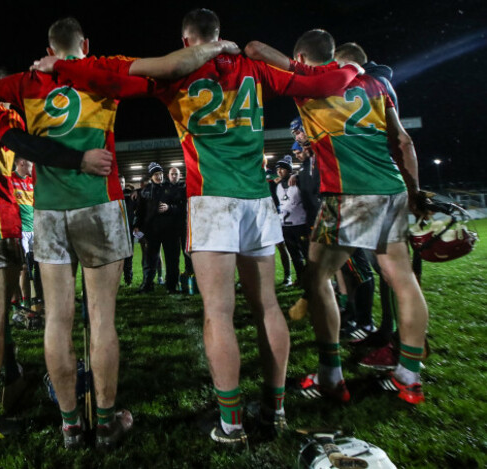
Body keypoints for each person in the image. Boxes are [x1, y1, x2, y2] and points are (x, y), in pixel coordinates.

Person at [38, 8, 362, 444]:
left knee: (218, 312)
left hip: (211, 201)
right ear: (217, 35)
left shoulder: (175, 75)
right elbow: (317, 83)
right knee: (267, 306)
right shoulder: (253, 67)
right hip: (255, 198)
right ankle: (274, 409)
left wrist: (60, 66)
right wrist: (352, 67)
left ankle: (230, 423)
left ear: (188, 41)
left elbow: (108, 79)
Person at [0, 18, 237, 449]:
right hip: (99, 203)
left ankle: (70, 426)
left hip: (48, 212)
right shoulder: (105, 68)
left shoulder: (28, 80)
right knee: (101, 319)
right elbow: (172, 64)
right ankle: (109, 420)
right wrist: (218, 46)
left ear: (50, 47)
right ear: (86, 44)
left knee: (57, 321)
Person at [246, 31, 430, 405]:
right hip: (390, 188)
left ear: (302, 55)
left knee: (316, 278)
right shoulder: (377, 84)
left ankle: (331, 375)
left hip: (347, 193)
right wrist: (414, 192)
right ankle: (409, 377)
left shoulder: (310, 84)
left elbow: (262, 53)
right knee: (402, 279)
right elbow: (403, 141)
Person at [133, 162, 181, 294]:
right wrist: (137, 225)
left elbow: (180, 208)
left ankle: (172, 286)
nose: (159, 176)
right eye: (156, 174)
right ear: (151, 176)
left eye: (160, 173)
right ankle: (147, 285)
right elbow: (141, 211)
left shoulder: (172, 188)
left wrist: (169, 208)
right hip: (152, 232)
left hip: (171, 231)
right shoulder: (145, 191)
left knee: (172, 260)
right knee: (150, 260)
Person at [275, 155, 309, 286]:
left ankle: (312, 279)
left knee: (307, 254)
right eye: (278, 169)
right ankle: (301, 279)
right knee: (295, 255)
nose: (279, 171)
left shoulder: (298, 181)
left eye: (283, 169)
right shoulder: (277, 186)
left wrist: (297, 175)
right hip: (285, 226)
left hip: (300, 223)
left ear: (289, 170)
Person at [10, 157, 35, 309]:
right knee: (21, 269)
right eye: (31, 163)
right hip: (19, 230)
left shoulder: (32, 181)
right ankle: (20, 304)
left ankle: (31, 301)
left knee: (32, 267)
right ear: (22, 162)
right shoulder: (10, 179)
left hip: (34, 229)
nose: (33, 167)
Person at [168, 167, 194, 288]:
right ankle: (173, 281)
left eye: (176, 174)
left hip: (184, 224)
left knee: (187, 252)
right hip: (171, 226)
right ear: (168, 175)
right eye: (172, 174)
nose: (174, 176)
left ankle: (190, 277)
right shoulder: (164, 187)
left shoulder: (185, 187)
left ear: (180, 175)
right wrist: (136, 191)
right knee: (173, 255)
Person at [120, 175, 136, 286]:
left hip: (128, 230)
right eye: (119, 182)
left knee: (129, 255)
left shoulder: (130, 195)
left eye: (122, 182)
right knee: (116, 257)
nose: (121, 184)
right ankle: (115, 280)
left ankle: (128, 279)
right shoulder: (110, 195)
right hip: (115, 231)